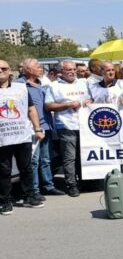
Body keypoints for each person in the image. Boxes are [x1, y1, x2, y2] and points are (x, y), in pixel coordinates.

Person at [0, 60, 46, 213]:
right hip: (2, 138)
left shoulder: (21, 89)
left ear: (10, 72)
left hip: (22, 135)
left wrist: (38, 128)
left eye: (4, 68)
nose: (1, 71)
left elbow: (31, 109)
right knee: (4, 171)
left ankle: (29, 196)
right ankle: (5, 201)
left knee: (26, 168)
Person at [17, 59, 64, 199]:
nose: (41, 68)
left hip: (46, 126)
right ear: (28, 69)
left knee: (46, 159)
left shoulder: (42, 84)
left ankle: (48, 186)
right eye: (38, 66)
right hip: (32, 128)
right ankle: (34, 190)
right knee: (34, 160)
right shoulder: (19, 85)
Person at [44, 60, 92, 197]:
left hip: (84, 125)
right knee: (69, 157)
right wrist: (68, 105)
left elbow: (92, 99)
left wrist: (90, 101)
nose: (72, 72)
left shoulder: (83, 83)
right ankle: (71, 184)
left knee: (83, 155)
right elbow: (48, 106)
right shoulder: (53, 86)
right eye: (68, 70)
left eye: (73, 69)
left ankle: (84, 181)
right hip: (66, 125)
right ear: (61, 72)